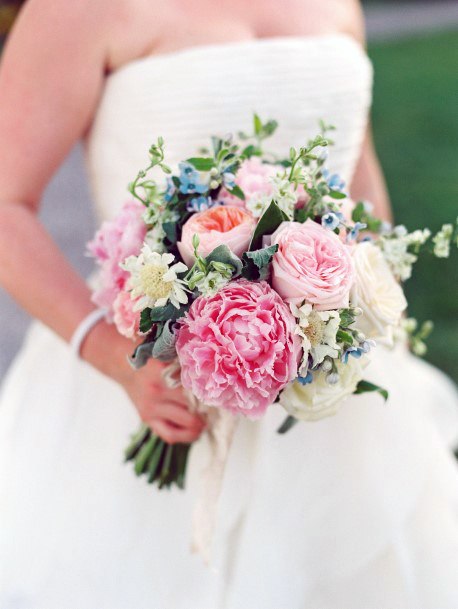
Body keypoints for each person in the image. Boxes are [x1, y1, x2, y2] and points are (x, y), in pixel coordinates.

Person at [0, 1, 457, 607]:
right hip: (146, 385)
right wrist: (113, 357)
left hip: (334, 410)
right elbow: (6, 206)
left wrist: (355, 305)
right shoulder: (77, 11)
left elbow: (356, 176)